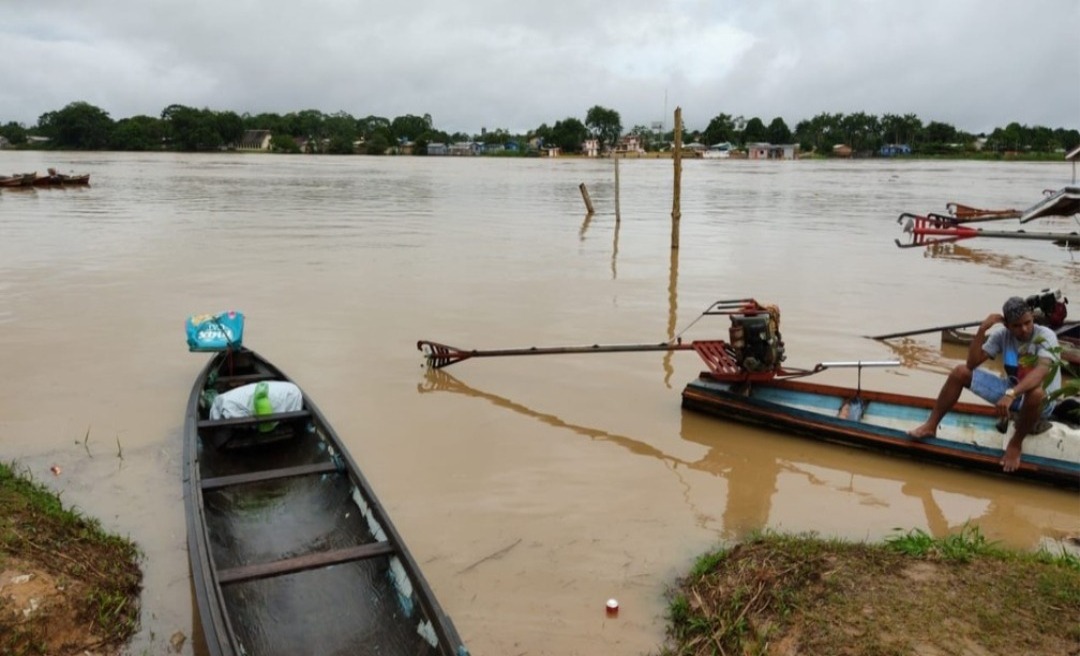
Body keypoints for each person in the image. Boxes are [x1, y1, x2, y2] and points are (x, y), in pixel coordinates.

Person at [909, 296, 1061, 472]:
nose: (1024, 329)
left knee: (1036, 393)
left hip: (1043, 400)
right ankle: (931, 425)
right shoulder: (1001, 336)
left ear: (1033, 318)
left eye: (1027, 323)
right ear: (1007, 326)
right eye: (1017, 326)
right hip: (1013, 394)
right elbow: (971, 365)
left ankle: (1015, 444)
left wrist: (1011, 394)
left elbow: (1041, 371)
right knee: (960, 372)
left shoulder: (1045, 336)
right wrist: (982, 329)